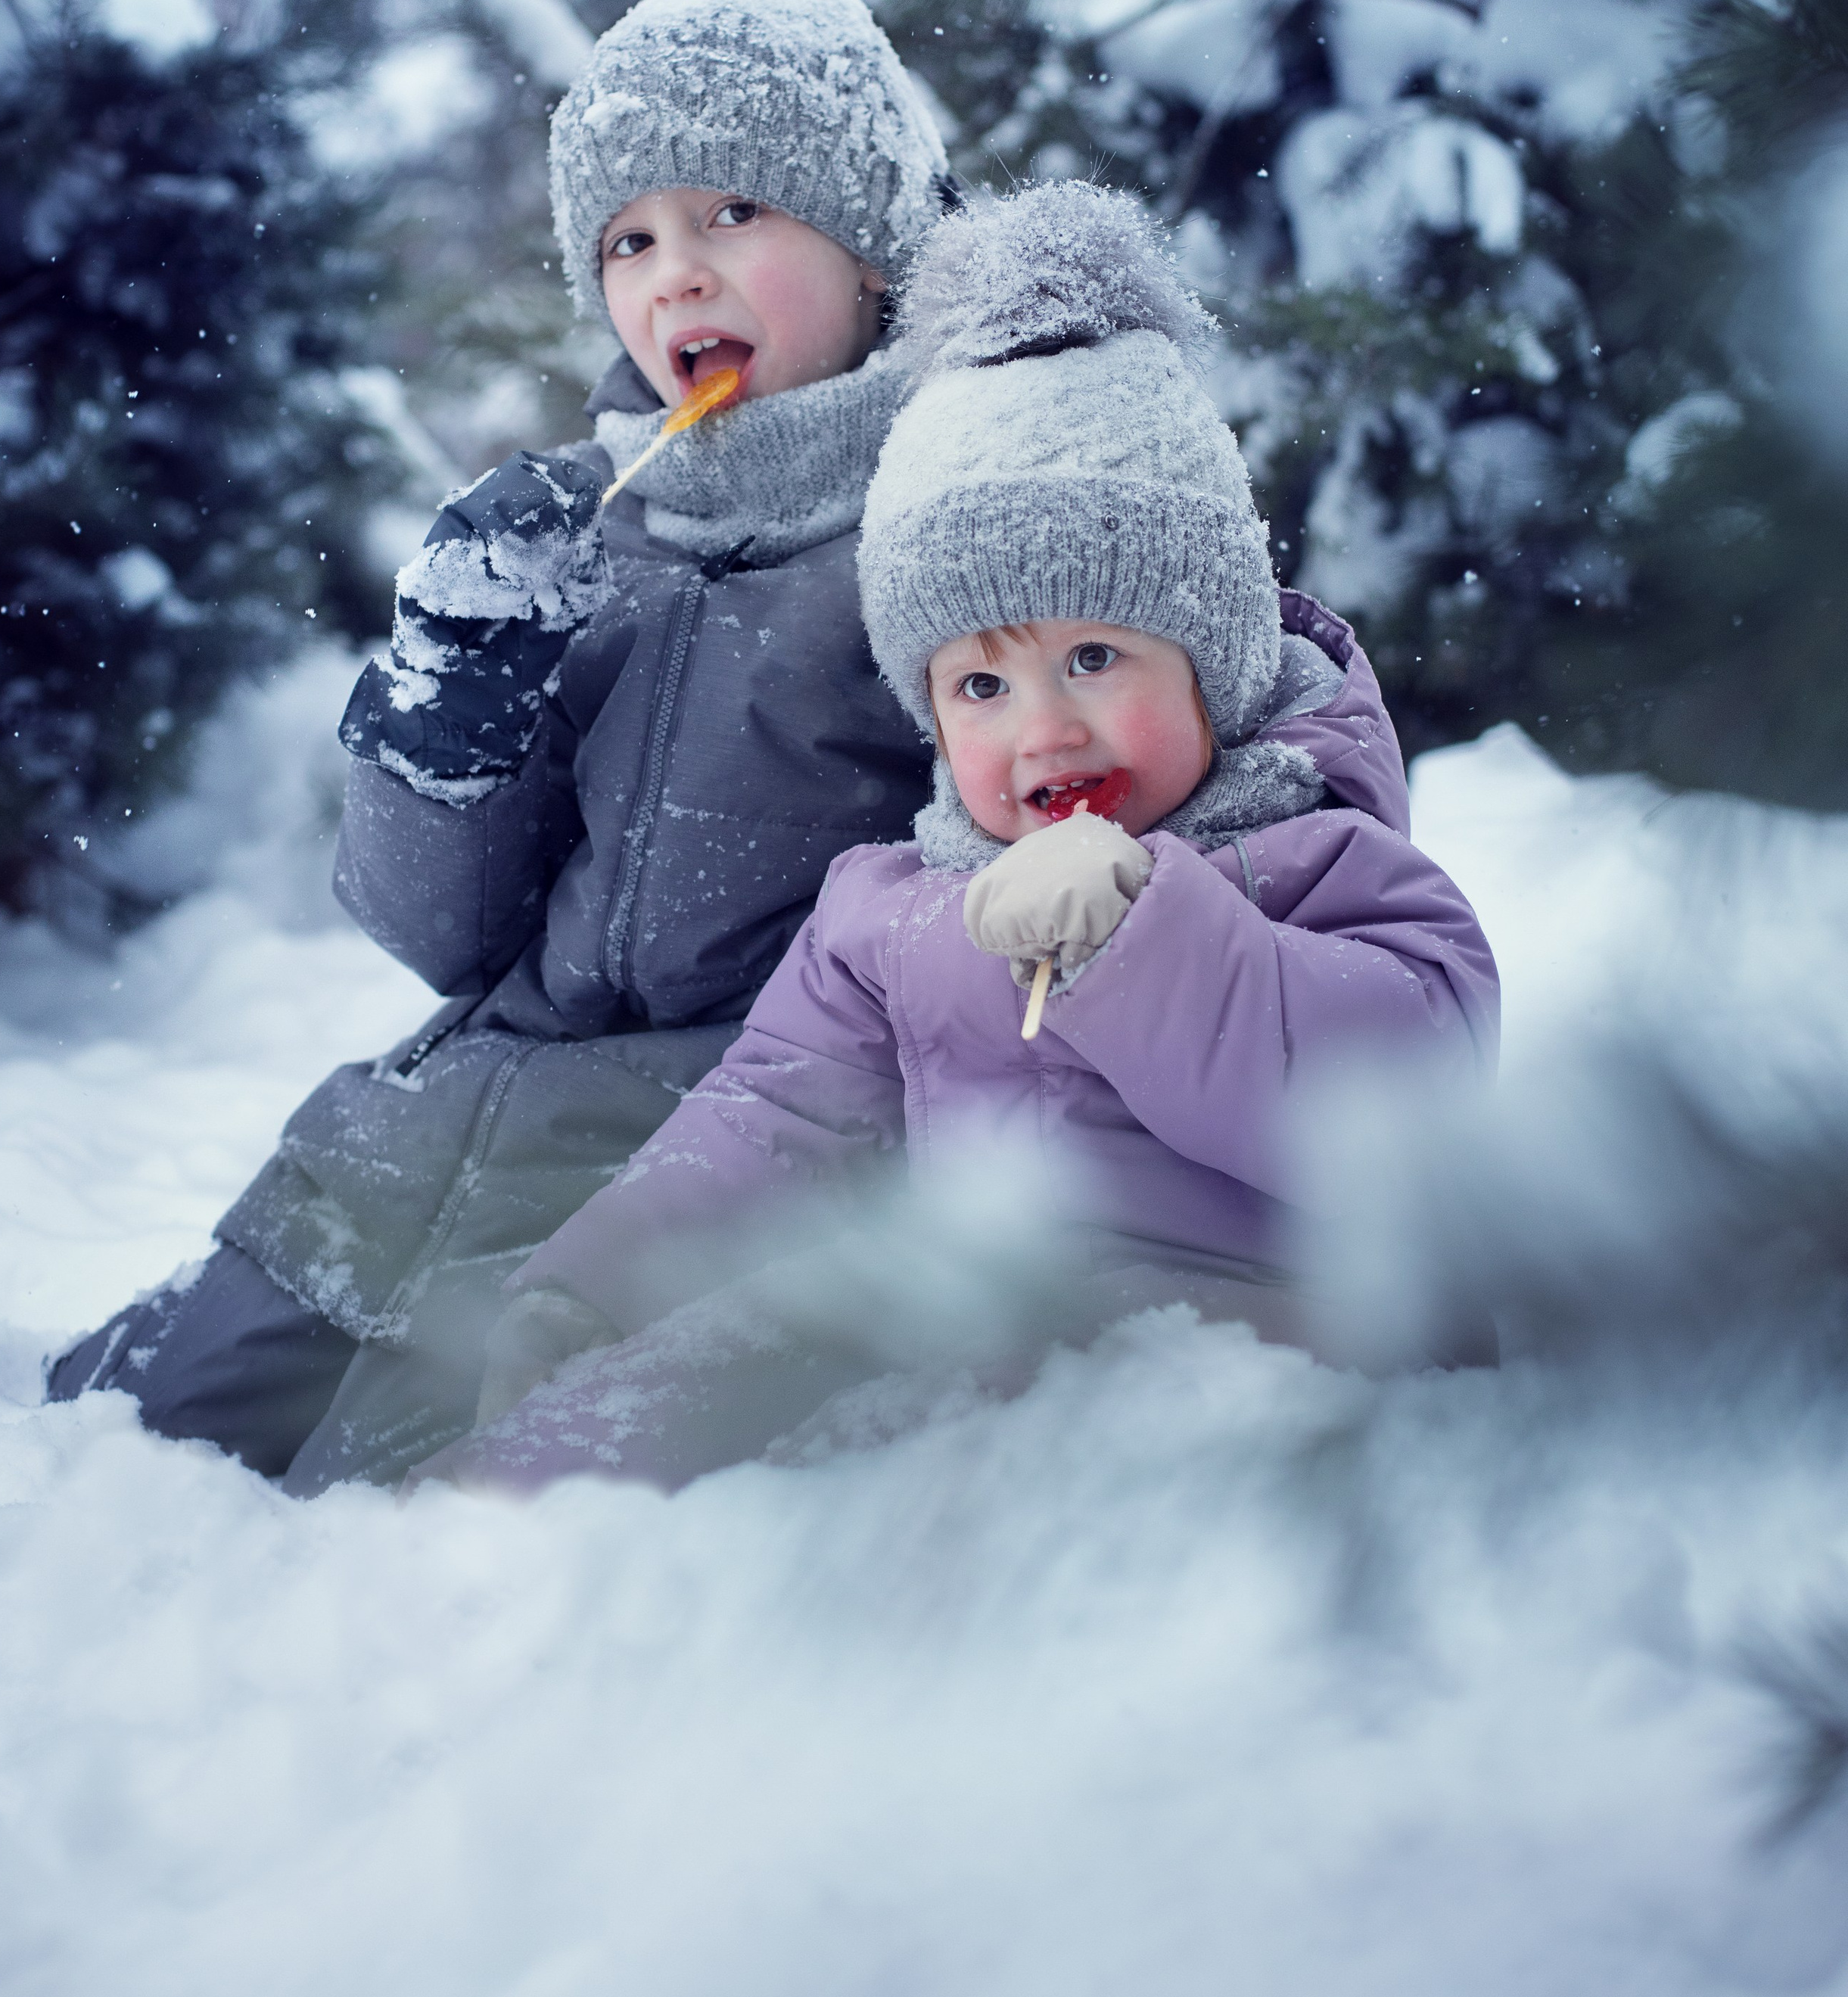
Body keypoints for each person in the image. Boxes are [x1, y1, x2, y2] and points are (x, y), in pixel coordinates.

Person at [415, 179, 1502, 1500]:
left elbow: (1396, 1109)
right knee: (608, 1433)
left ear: (1212, 655)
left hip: (1257, 1359)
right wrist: (594, 1292)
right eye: (981, 688)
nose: (1043, 730)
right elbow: (772, 1118)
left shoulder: (1320, 858)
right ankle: (472, 1577)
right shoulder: (892, 909)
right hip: (971, 1332)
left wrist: (1144, 932)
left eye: (1094, 656)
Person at [45, 0, 955, 1489]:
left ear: (872, 248)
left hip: (706, 1151)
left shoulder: (943, 526)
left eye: (734, 212)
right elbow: (448, 938)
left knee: (358, 1519)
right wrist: (443, 716)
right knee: (104, 1431)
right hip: (442, 1126)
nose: (675, 276)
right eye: (628, 240)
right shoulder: (595, 532)